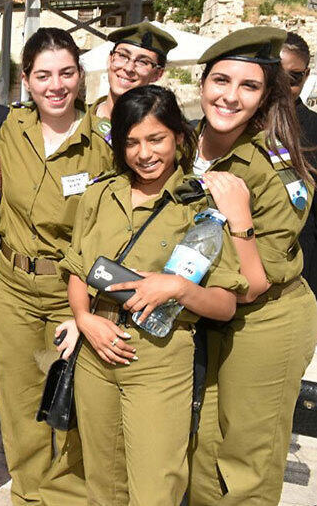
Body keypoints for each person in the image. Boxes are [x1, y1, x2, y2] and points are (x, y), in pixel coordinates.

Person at [61, 84, 247, 505]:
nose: (144, 153)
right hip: (96, 353)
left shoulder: (201, 205)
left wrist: (178, 287)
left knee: (155, 487)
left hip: (159, 362)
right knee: (101, 486)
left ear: (179, 137)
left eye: (156, 139)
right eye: (131, 142)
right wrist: (84, 319)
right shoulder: (99, 194)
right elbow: (77, 269)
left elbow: (226, 302)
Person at [188, 26, 317, 506]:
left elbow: (254, 281)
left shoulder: (270, 161)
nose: (229, 97)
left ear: (266, 96)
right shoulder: (185, 142)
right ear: (202, 84)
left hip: (263, 317)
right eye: (221, 81)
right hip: (206, 311)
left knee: (246, 458)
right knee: (203, 447)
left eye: (249, 86)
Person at [0, 27, 112, 506]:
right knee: (20, 401)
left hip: (73, 291)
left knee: (72, 399)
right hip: (14, 290)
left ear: (81, 78)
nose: (55, 85)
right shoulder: (9, 130)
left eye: (66, 73)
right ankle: (27, 493)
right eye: (43, 75)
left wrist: (89, 307)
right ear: (26, 79)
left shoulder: (102, 142)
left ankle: (64, 496)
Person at [87, 21, 178, 142]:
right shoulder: (76, 123)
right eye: (123, 56)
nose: (129, 68)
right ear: (110, 59)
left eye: (143, 62)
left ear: (157, 74)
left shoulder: (166, 133)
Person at [281, 32, 317, 298]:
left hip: (300, 278)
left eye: (293, 78)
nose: (283, 86)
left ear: (305, 76)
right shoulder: (236, 126)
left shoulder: (316, 131)